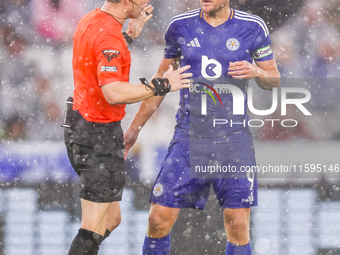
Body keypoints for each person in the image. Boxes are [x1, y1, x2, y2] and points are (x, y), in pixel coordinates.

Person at [124, 0, 280, 254]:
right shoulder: (180, 26)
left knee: (238, 224)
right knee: (157, 219)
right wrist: (134, 130)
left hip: (233, 138)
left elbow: (274, 79)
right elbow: (160, 82)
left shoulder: (252, 27)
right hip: (189, 136)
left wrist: (258, 72)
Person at [63, 0, 193, 254]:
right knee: (91, 228)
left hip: (80, 125)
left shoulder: (93, 19)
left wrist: (128, 36)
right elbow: (112, 92)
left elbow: (100, 54)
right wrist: (162, 85)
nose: (146, 2)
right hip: (96, 136)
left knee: (111, 219)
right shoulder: (109, 36)